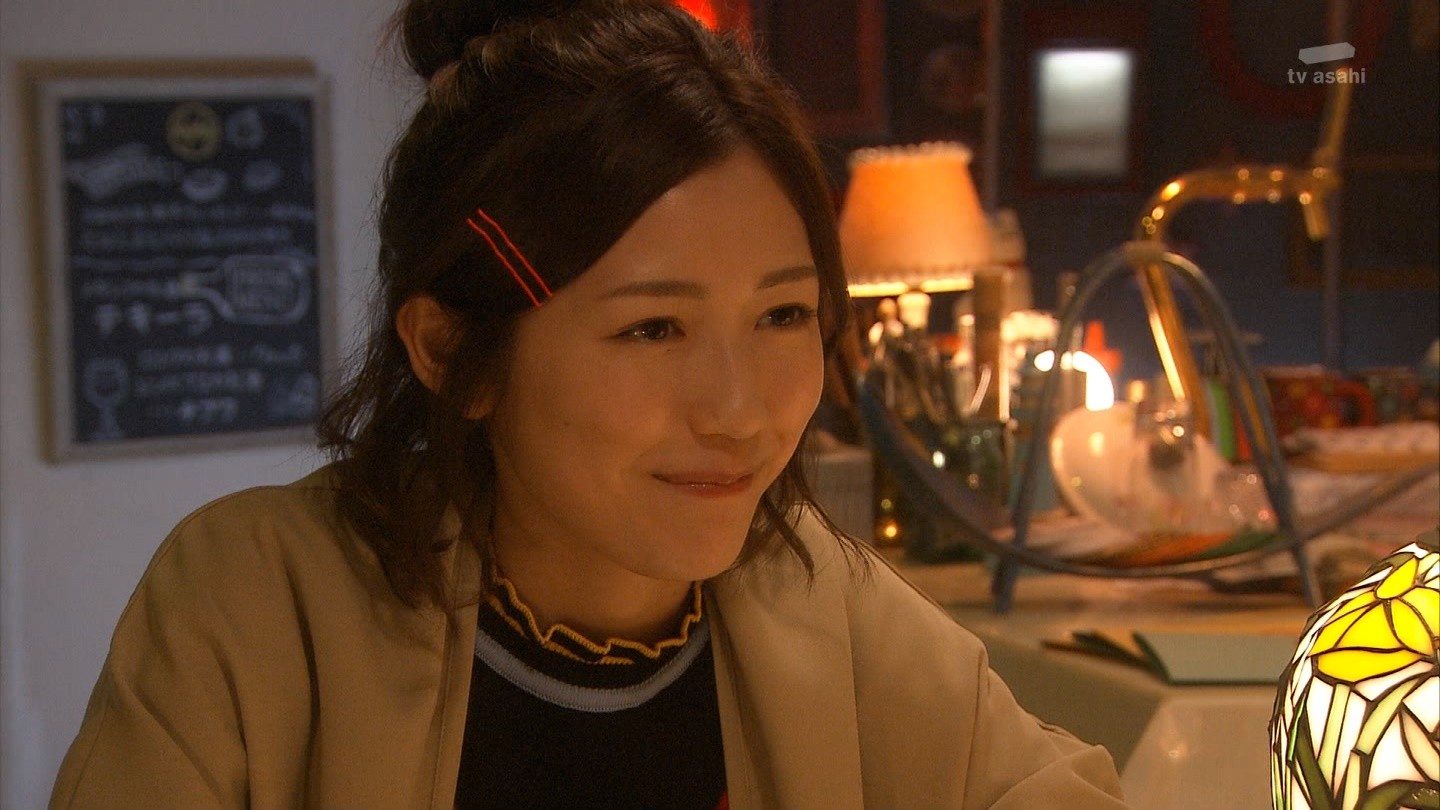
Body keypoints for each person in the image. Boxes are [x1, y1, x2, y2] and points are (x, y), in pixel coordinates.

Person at [49, 1, 1131, 807]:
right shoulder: (258, 603)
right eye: (652, 329)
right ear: (455, 353)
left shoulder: (819, 602)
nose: (740, 411)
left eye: (783, 315)